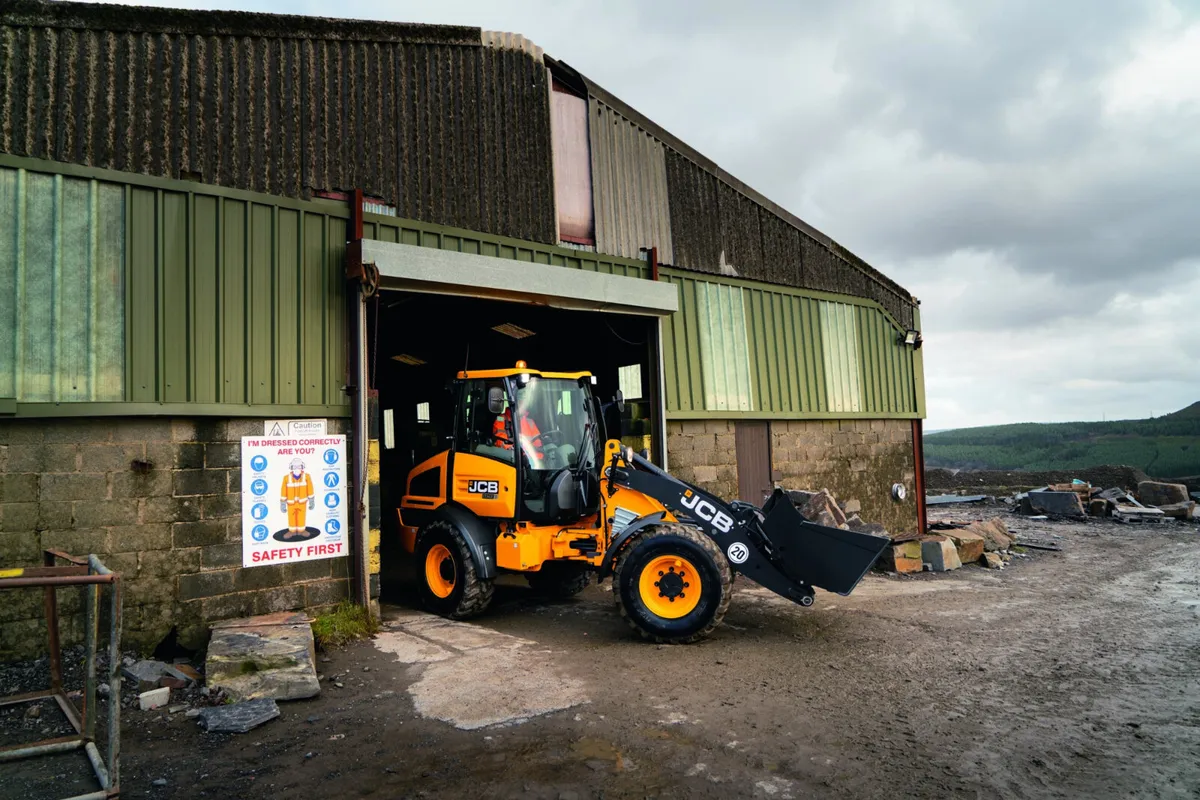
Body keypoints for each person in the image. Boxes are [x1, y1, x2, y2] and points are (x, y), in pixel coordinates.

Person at [280, 458, 315, 539]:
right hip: (291, 503)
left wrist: (311, 500)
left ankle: (301, 530)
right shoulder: (286, 478)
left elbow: (310, 488)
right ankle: (292, 532)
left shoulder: (307, 477)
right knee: (291, 517)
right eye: (294, 467)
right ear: (291, 467)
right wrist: (282, 503)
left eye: (299, 466)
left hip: (302, 502)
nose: (297, 469)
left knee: (301, 516)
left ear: (302, 467)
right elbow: (283, 491)